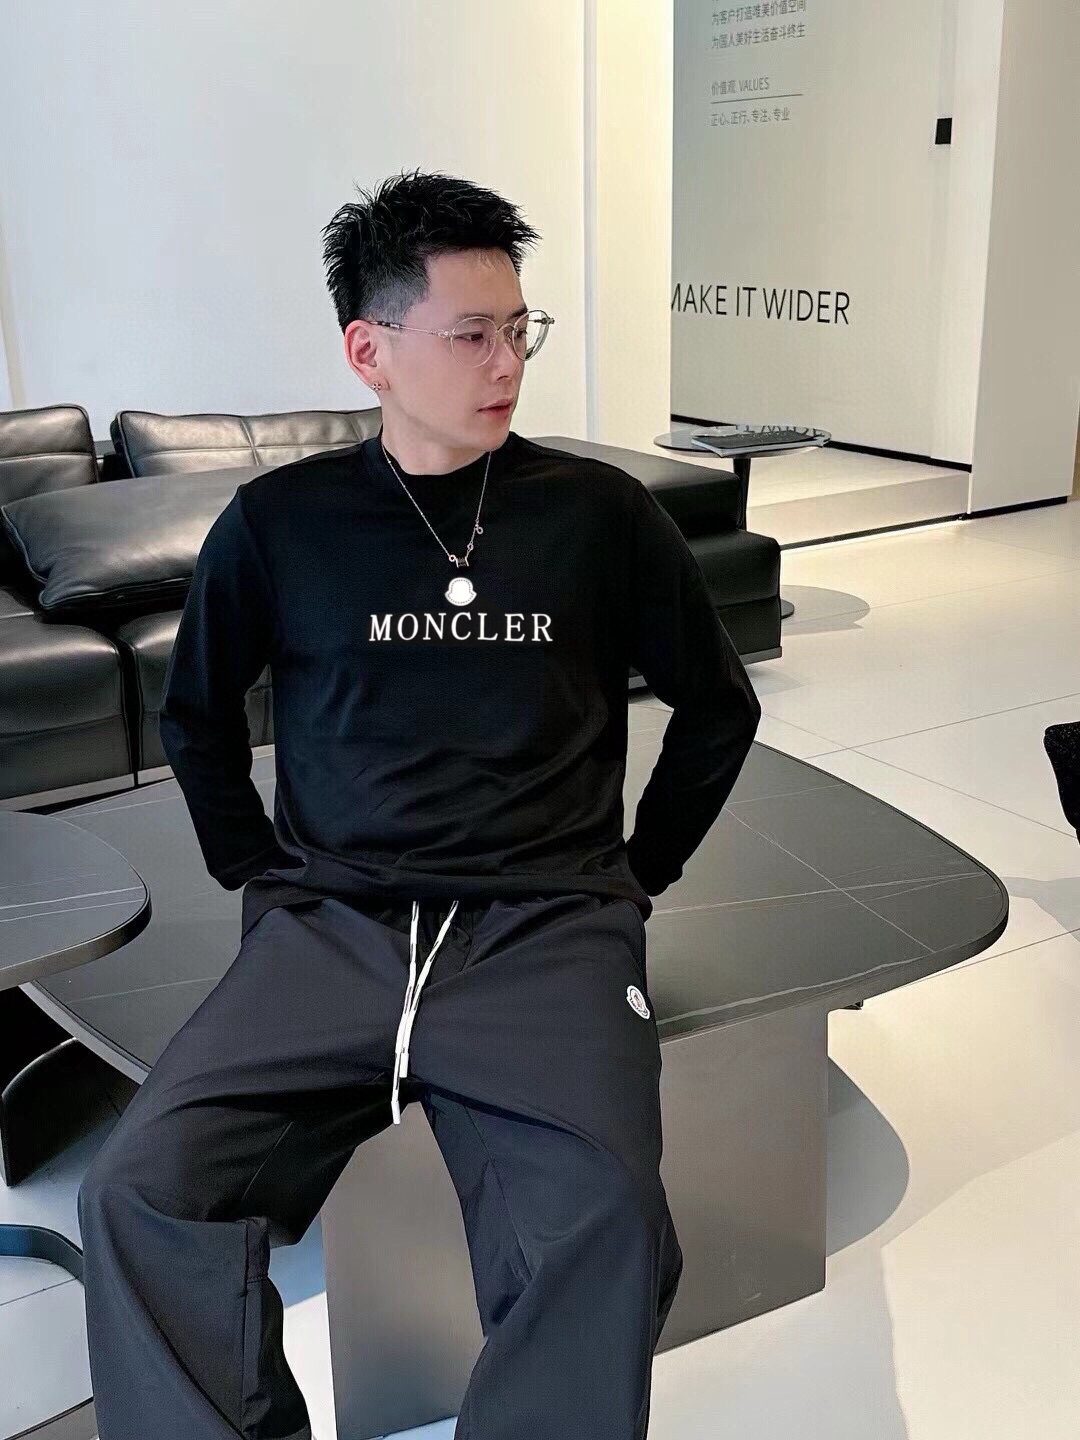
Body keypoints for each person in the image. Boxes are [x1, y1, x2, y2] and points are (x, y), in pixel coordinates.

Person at [77, 168, 762, 1440]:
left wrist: (634, 874)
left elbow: (720, 705)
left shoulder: (600, 517)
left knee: (605, 1220)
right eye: (471, 335)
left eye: (520, 330)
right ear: (370, 351)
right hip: (331, 925)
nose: (508, 364)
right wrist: (255, 871)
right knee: (140, 1192)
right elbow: (196, 712)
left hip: (545, 930)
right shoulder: (281, 522)